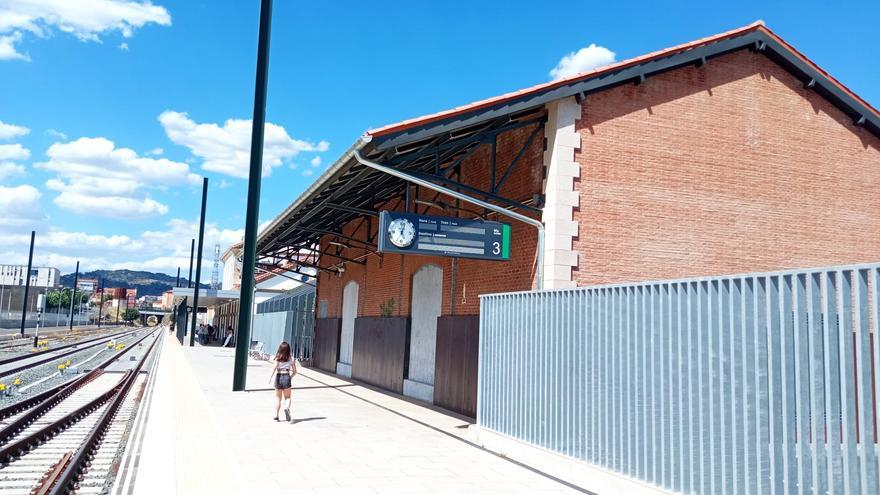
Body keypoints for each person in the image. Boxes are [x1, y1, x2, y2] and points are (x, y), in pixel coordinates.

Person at [268, 341, 297, 422]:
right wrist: (290, 378)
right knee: (287, 397)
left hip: (279, 377)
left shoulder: (277, 358)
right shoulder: (291, 359)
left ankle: (276, 416)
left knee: (278, 398)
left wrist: (270, 378)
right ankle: (287, 408)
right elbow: (295, 371)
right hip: (286, 376)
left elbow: (273, 368)